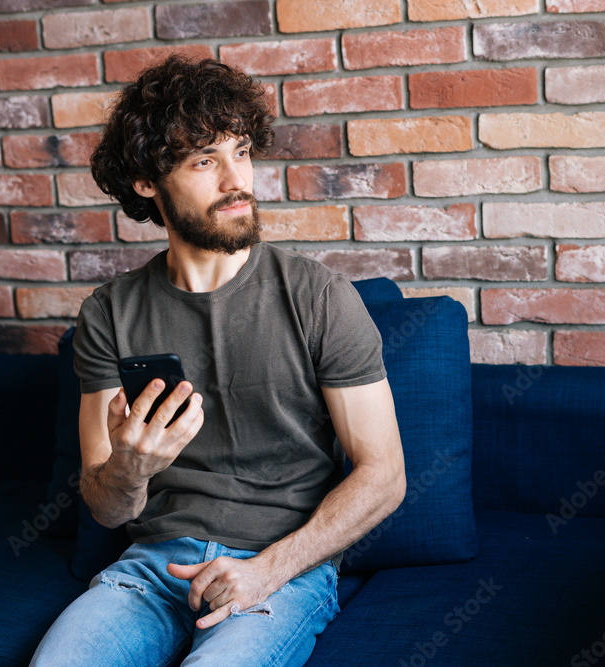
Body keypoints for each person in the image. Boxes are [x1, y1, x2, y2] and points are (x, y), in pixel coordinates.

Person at [30, 56, 406, 667]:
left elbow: (385, 475)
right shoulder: (109, 313)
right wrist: (130, 467)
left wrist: (266, 571)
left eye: (242, 152)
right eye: (205, 161)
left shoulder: (320, 297)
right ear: (146, 181)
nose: (237, 180)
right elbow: (106, 505)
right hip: (151, 569)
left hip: (280, 571)